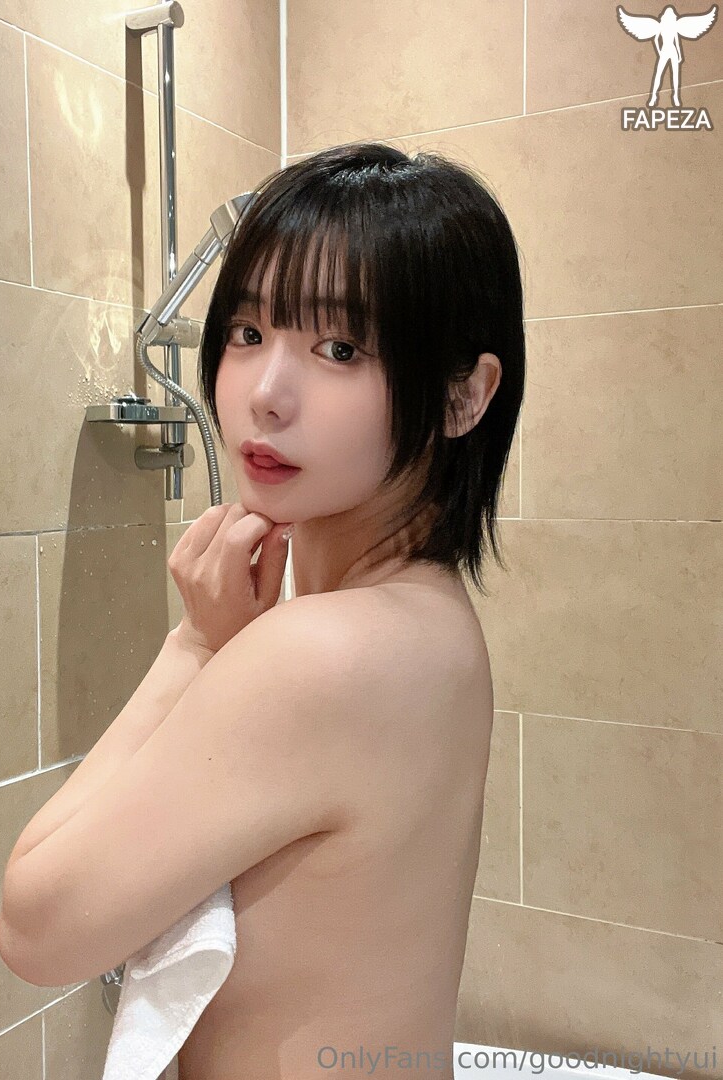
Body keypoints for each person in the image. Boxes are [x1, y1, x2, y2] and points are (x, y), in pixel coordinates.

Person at [173, 140, 526, 1079]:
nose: (265, 396)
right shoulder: (433, 618)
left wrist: (195, 645)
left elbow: (35, 921)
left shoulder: (322, 648)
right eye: (247, 332)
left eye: (340, 349)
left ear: (463, 395)